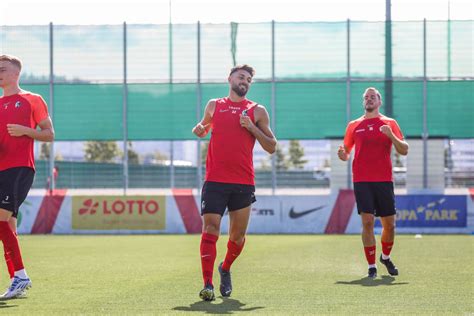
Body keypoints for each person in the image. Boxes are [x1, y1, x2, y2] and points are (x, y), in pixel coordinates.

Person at [192, 64, 276, 301]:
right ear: (229, 79)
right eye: (241, 77)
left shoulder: (257, 111)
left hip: (243, 182)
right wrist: (201, 129)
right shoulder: (214, 105)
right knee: (210, 229)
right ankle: (207, 284)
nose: (245, 81)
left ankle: (225, 267)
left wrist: (251, 128)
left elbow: (272, 146)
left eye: (249, 79)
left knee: (237, 238)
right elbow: (205, 126)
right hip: (215, 180)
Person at [338, 87, 408, 278]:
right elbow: (346, 152)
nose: (369, 99)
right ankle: (371, 266)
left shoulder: (389, 123)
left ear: (379, 101)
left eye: (372, 97)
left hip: (384, 180)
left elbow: (404, 150)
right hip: (362, 180)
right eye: (366, 97)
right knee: (367, 222)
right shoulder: (354, 125)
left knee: (390, 225)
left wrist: (390, 135)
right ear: (364, 102)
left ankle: (385, 257)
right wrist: (342, 155)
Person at [0, 54, 55, 298]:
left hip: (19, 167)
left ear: (15, 73)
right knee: (8, 224)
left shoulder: (32, 99)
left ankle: (20, 276)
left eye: (2, 69)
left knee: (1, 221)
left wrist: (25, 131)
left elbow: (49, 134)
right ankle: (17, 279)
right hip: (1, 169)